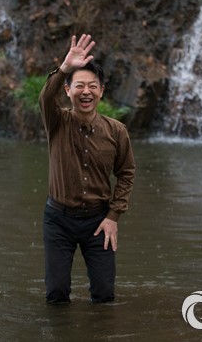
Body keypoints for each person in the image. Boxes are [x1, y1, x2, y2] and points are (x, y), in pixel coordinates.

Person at [39, 33, 136, 304]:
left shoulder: (117, 131)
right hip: (58, 219)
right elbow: (45, 97)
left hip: (99, 220)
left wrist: (114, 215)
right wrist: (64, 68)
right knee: (56, 293)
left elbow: (126, 173)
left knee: (104, 295)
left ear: (101, 91)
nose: (86, 92)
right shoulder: (56, 121)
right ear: (67, 90)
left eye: (92, 86)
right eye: (79, 85)